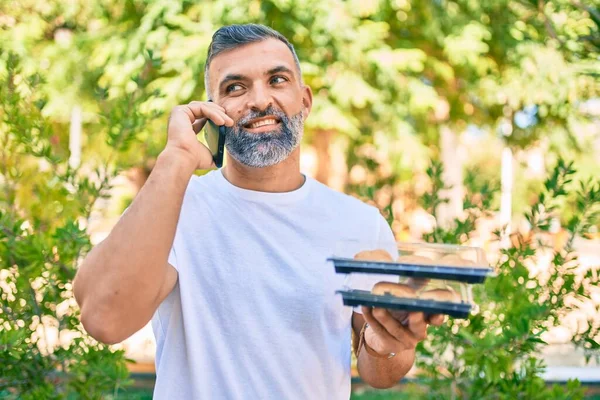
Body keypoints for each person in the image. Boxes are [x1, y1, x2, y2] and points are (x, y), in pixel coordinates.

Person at [73, 24, 443, 399]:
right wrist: (176, 159)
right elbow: (104, 320)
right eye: (235, 88)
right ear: (212, 113)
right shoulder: (174, 208)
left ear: (306, 100)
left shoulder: (359, 224)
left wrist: (387, 342)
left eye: (277, 80)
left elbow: (381, 371)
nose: (260, 100)